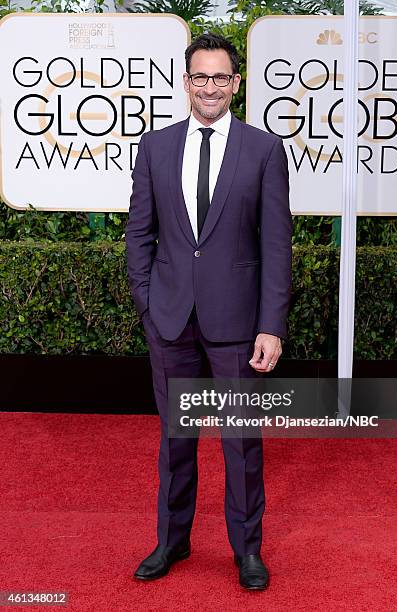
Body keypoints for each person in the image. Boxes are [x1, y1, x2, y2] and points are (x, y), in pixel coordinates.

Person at [125, 32, 292, 591]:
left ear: (236, 84)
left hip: (238, 326)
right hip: (170, 320)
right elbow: (139, 235)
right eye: (201, 76)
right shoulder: (155, 147)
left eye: (222, 77)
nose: (211, 87)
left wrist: (271, 324)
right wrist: (149, 304)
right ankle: (171, 541)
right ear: (186, 80)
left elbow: (276, 246)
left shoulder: (265, 150)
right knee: (177, 439)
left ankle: (247, 551)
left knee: (240, 441)